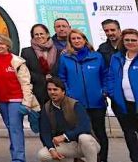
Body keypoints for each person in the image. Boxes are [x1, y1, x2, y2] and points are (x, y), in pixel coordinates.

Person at [56, 28, 107, 162]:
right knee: (79, 134)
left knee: (99, 132)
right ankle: (79, 160)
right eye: (73, 39)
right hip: (75, 104)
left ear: (85, 40)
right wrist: (69, 93)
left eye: (79, 38)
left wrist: (103, 90)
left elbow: (105, 75)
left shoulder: (97, 56)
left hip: (97, 102)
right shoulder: (65, 58)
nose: (77, 41)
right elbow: (62, 78)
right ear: (70, 41)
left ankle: (102, 159)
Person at [0, 34, 37, 162]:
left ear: (8, 45)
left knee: (15, 128)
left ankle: (18, 158)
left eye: (2, 43)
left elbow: (26, 83)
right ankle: (16, 153)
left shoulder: (17, 61)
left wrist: (26, 102)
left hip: (16, 99)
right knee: (11, 128)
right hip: (1, 100)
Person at [38, 76, 100, 162]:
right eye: (49, 89)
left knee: (84, 138)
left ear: (63, 91)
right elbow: (45, 132)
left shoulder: (75, 104)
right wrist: (51, 149)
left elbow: (85, 126)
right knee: (43, 155)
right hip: (66, 146)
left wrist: (65, 136)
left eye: (55, 89)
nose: (52, 92)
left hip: (83, 144)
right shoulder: (46, 108)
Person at [105, 28, 138, 162]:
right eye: (127, 40)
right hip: (123, 105)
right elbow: (111, 77)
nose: (130, 42)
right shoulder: (117, 57)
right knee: (129, 135)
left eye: (134, 40)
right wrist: (113, 94)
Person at [22, 23, 61, 109]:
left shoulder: (59, 51)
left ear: (47, 35)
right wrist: (43, 78)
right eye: (36, 34)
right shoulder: (26, 52)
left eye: (41, 34)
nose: (39, 36)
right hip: (37, 93)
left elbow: (61, 68)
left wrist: (52, 78)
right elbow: (25, 72)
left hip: (56, 92)